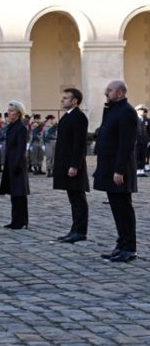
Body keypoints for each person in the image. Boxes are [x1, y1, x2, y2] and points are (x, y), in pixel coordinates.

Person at [94, 80, 139, 263]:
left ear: (120, 93)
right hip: (109, 168)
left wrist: (119, 170)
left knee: (124, 210)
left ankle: (129, 248)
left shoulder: (127, 111)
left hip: (119, 170)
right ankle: (121, 244)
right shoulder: (112, 109)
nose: (106, 93)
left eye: (109, 91)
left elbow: (126, 144)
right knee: (116, 209)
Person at [53, 87, 89, 244]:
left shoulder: (79, 117)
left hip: (74, 166)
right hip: (65, 164)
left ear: (75, 101)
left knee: (78, 199)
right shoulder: (67, 116)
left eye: (66, 98)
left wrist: (75, 165)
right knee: (73, 199)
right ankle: (74, 229)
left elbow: (79, 144)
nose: (62, 100)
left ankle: (80, 231)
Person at [0, 100, 30, 229]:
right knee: (14, 194)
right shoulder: (11, 126)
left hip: (17, 165)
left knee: (19, 194)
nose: (8, 114)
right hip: (11, 163)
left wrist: (16, 165)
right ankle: (15, 219)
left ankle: (21, 221)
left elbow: (21, 148)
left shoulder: (21, 128)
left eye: (11, 111)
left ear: (18, 113)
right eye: (8, 111)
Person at [136, 106, 149, 178]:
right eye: (140, 110)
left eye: (143, 110)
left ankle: (141, 170)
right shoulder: (134, 119)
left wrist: (148, 140)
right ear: (137, 111)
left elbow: (148, 131)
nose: (142, 112)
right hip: (137, 141)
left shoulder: (146, 120)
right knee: (137, 155)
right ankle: (137, 170)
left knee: (143, 156)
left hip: (144, 140)